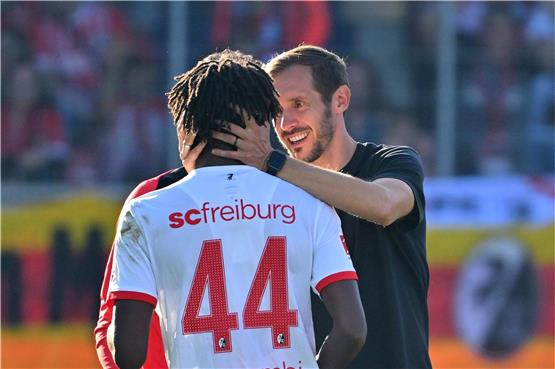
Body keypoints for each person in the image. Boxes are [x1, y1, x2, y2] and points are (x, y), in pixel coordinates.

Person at [100, 49, 366, 369]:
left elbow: (128, 353)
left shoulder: (146, 211)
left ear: (184, 128)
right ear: (263, 121)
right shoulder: (311, 204)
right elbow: (351, 330)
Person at [210, 45, 432, 369]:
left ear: (340, 100)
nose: (285, 123)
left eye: (298, 104)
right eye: (276, 111)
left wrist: (273, 162)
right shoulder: (275, 189)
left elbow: (383, 205)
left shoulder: (392, 161)